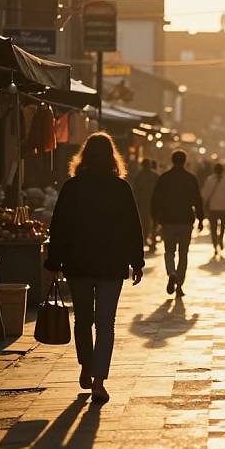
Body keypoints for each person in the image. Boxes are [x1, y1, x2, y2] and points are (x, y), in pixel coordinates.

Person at [45, 132, 144, 404]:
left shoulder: (72, 187)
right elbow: (132, 228)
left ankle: (87, 366)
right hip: (112, 264)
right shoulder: (121, 188)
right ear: (112, 157)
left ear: (84, 156)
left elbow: (59, 228)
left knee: (84, 320)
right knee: (105, 323)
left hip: (79, 264)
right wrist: (137, 261)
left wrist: (54, 263)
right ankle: (99, 380)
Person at [151, 150, 204, 297]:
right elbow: (197, 200)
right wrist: (200, 218)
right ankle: (179, 284)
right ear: (184, 161)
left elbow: (156, 200)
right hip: (185, 220)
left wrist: (155, 218)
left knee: (169, 251)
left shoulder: (164, 178)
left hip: (168, 220)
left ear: (172, 161)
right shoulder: (190, 179)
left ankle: (172, 273)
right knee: (183, 253)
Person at [201, 163, 225, 256]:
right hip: (224, 207)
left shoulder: (210, 180)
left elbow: (205, 194)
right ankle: (220, 239)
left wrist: (203, 204)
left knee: (213, 227)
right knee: (223, 226)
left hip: (213, 208)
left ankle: (215, 243)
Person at [133, 158, 159, 252]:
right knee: (149, 224)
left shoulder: (140, 176)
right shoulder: (152, 176)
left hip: (148, 204)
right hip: (148, 204)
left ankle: (150, 241)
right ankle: (150, 241)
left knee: (148, 224)